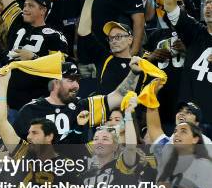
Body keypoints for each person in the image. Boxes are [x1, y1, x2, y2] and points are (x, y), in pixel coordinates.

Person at [13, 58, 143, 143]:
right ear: (55, 83)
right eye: (70, 80)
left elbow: (119, 97)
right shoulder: (30, 110)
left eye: (77, 80)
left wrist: (134, 73)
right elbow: (14, 146)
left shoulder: (83, 106)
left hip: (75, 175)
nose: (76, 85)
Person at [0, 0, 69, 111]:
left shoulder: (55, 36)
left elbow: (60, 68)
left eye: (31, 6)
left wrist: (34, 58)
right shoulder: (16, 22)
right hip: (5, 99)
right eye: (25, 5)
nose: (25, 8)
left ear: (43, 10)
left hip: (32, 105)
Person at [162, 0, 212, 123]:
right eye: (207, 3)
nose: (209, 7)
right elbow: (171, 9)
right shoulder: (196, 31)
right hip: (189, 116)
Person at [79, 0, 138, 95]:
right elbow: (83, 32)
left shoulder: (138, 65)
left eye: (118, 37)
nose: (114, 41)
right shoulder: (104, 57)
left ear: (130, 39)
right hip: (103, 108)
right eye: (111, 38)